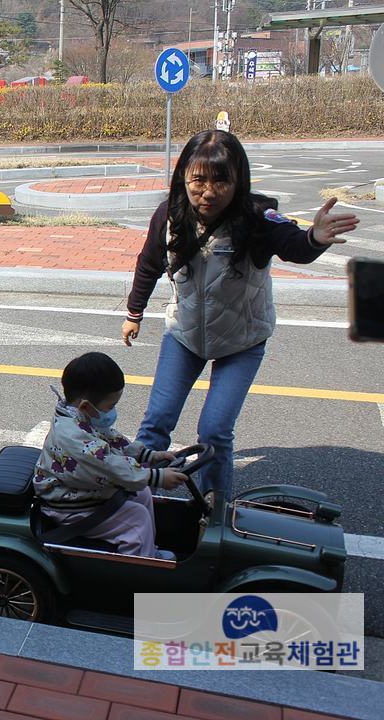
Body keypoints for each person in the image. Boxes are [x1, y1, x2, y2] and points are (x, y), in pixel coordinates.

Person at [122, 129, 358, 500]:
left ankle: (214, 509)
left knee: (214, 431)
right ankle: (133, 502)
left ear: (238, 181)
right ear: (183, 176)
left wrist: (314, 237)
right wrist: (134, 313)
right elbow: (149, 264)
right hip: (185, 334)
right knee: (156, 423)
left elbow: (294, 245)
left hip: (242, 339)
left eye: (221, 181)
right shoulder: (169, 214)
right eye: (198, 180)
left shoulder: (257, 217)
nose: (208, 192)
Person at [33, 352, 188, 560]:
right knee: (137, 521)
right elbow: (109, 465)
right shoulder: (73, 437)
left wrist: (148, 455)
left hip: (78, 489)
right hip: (67, 504)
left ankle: (147, 550)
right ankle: (137, 569)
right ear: (85, 405)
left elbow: (112, 441)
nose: (112, 411)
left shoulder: (79, 417)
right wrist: (156, 476)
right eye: (111, 406)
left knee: (142, 493)